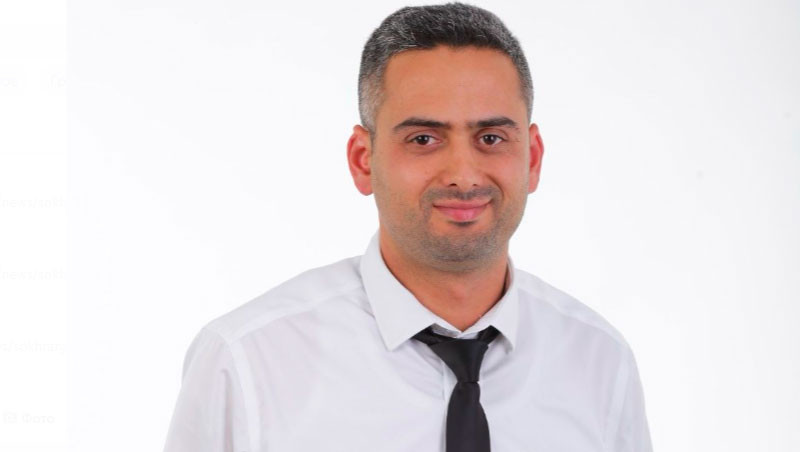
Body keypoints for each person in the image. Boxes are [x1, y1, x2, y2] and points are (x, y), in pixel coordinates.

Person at [162, 3, 653, 451]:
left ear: (533, 158)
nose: (463, 175)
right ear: (363, 160)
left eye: (490, 138)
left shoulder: (601, 364)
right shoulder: (248, 363)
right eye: (423, 139)